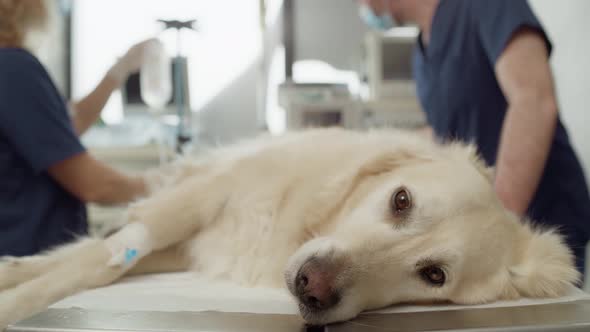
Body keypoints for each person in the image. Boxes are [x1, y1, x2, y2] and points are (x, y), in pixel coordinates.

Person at [358, 0, 590, 275]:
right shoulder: (421, 56)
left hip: (541, 213)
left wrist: (498, 223)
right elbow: (445, 132)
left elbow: (534, 100)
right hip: (484, 222)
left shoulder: (486, 5)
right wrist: (377, 147)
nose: (362, 7)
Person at [0, 0, 151, 256]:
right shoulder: (13, 68)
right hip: (28, 260)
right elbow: (96, 186)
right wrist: (172, 184)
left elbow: (62, 127)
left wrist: (117, 73)